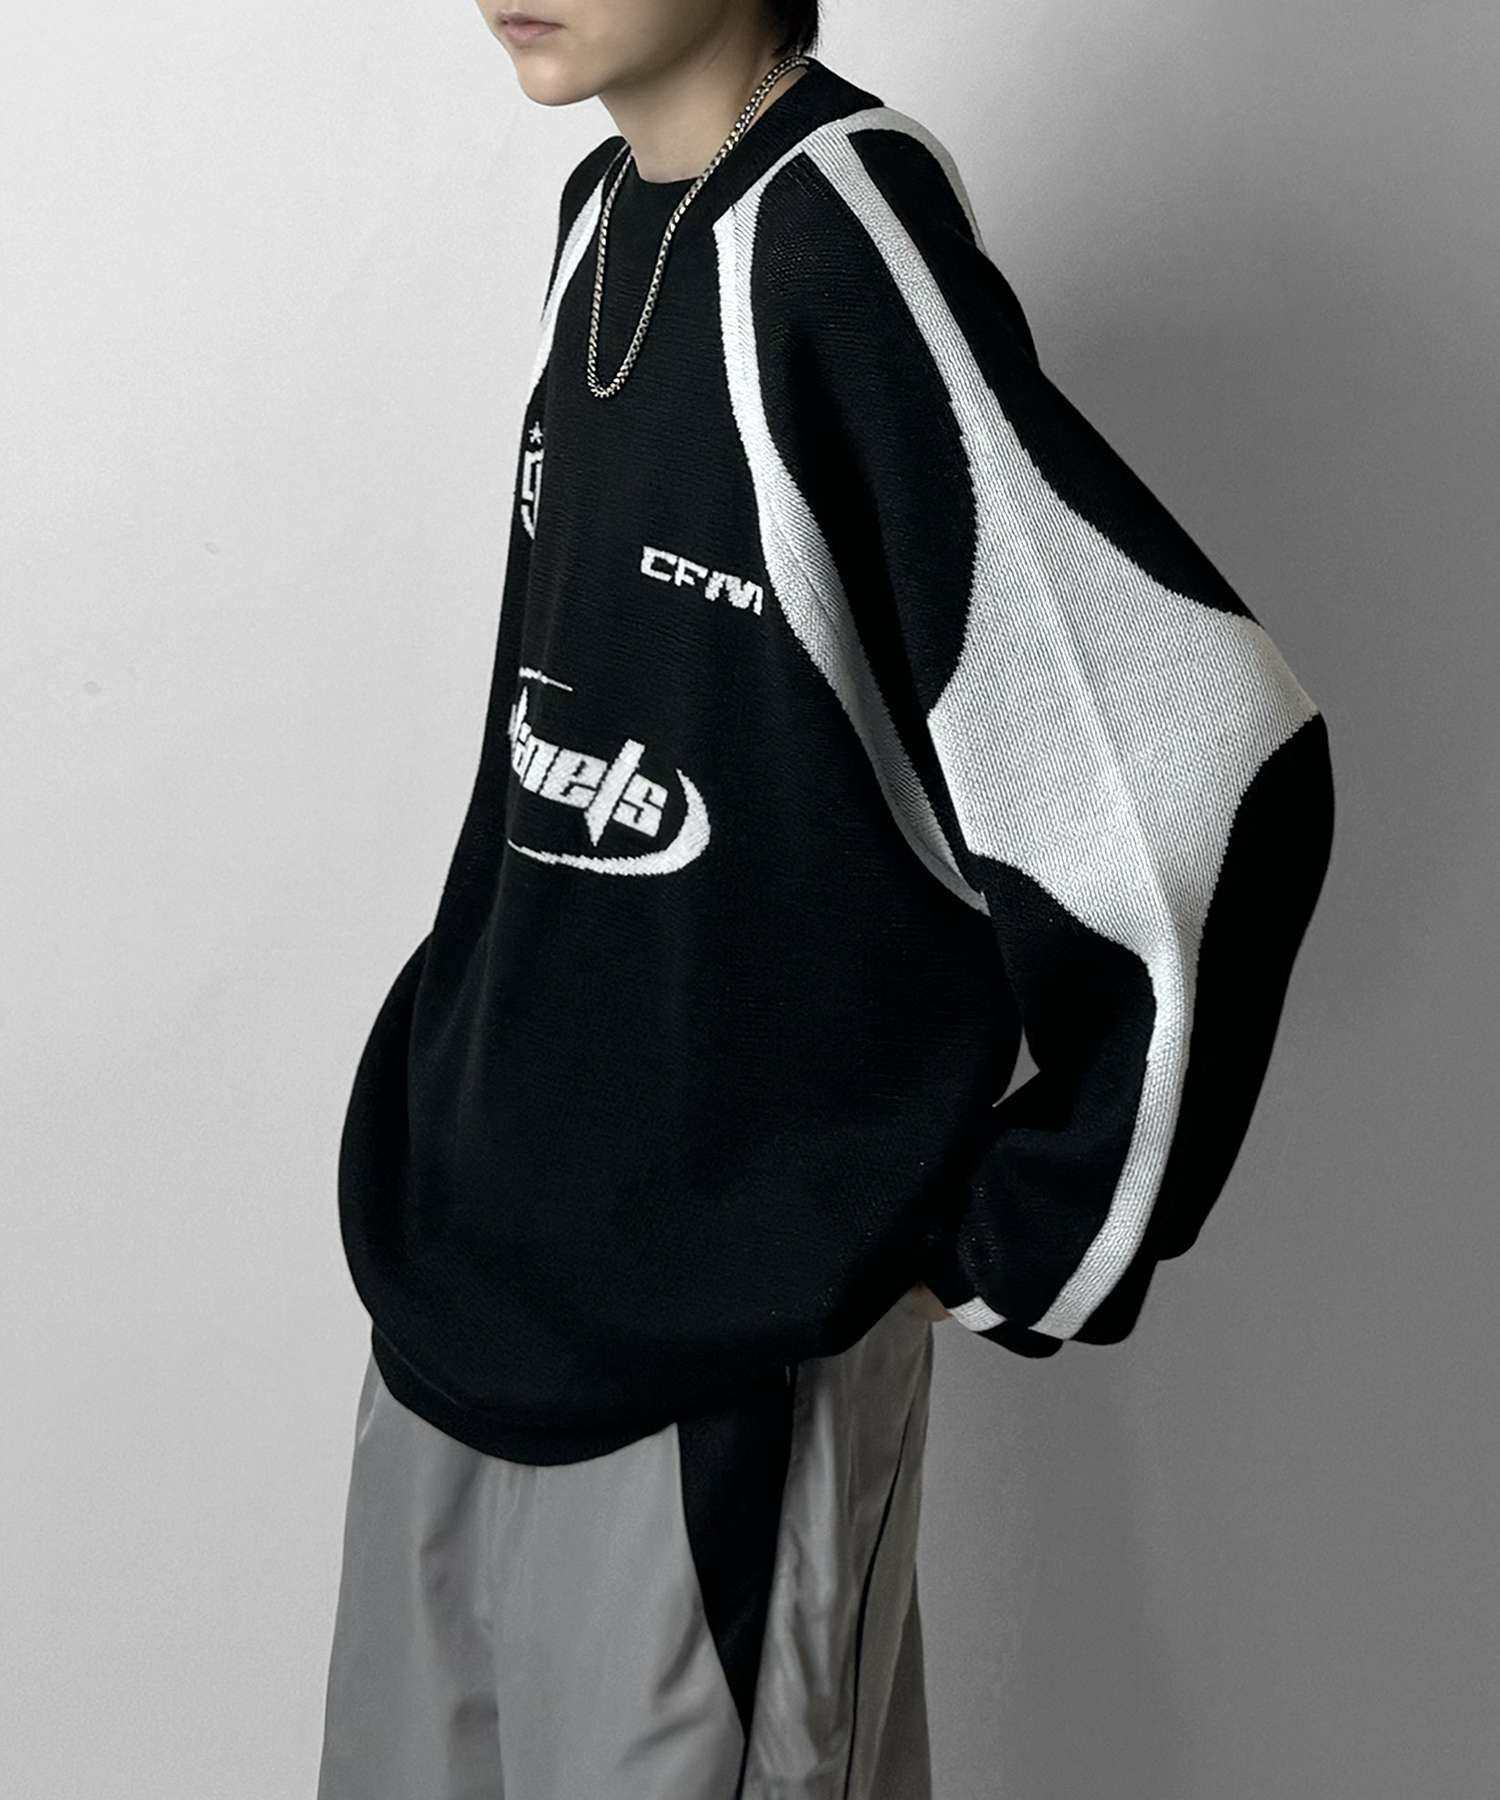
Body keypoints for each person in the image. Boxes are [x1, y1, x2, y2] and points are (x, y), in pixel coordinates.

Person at [316, 4, 1336, 1796]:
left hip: (708, 1377)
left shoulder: (836, 236)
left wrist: (1024, 1231)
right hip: (455, 1297)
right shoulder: (602, 221)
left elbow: (1212, 761)